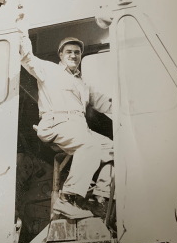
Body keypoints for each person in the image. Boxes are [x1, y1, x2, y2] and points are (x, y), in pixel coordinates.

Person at [16, 12, 114, 221]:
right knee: (89, 146)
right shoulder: (49, 71)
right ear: (60, 55)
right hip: (57, 124)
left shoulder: (83, 84)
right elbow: (27, 58)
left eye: (77, 53)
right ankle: (67, 200)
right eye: (69, 52)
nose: (73, 55)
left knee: (113, 149)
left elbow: (107, 103)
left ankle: (99, 200)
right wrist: (22, 30)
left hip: (78, 128)